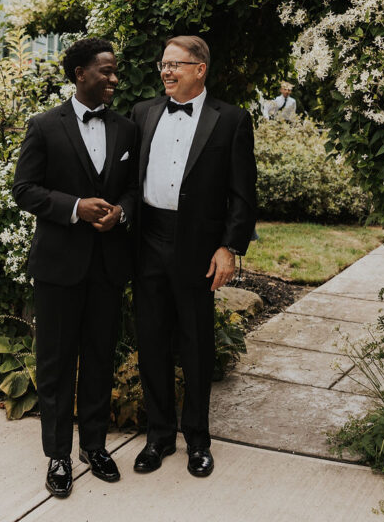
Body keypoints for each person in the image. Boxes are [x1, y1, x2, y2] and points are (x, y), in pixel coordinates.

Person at [13, 38, 138, 499]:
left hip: (107, 266)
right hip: (59, 267)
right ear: (79, 74)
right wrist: (76, 207)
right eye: (104, 71)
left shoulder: (125, 129)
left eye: (114, 71)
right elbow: (24, 190)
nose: (113, 78)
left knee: (101, 357)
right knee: (56, 364)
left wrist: (120, 213)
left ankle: (94, 446)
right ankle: (58, 456)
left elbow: (132, 189)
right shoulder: (44, 126)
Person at [131, 35, 256, 479]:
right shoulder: (143, 113)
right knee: (151, 343)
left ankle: (198, 441)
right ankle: (159, 436)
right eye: (163, 64)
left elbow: (243, 195)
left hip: (198, 247)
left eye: (175, 65)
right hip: (148, 241)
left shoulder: (232, 121)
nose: (166, 71)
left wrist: (229, 247)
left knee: (196, 345)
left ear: (200, 69)